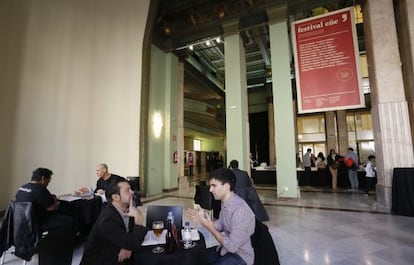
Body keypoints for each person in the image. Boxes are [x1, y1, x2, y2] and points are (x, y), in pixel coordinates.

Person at [187, 168, 255, 265]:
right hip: (224, 250)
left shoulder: (240, 210)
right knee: (195, 256)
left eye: (214, 186)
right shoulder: (226, 203)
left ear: (226, 186)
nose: (210, 190)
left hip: (239, 257)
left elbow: (232, 246)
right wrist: (206, 219)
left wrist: (209, 227)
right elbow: (220, 225)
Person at [80, 177, 147, 265]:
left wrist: (127, 246)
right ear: (115, 197)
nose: (132, 192)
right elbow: (133, 243)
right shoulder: (107, 219)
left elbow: (130, 234)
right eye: (127, 190)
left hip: (116, 255)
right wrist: (138, 218)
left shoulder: (126, 209)